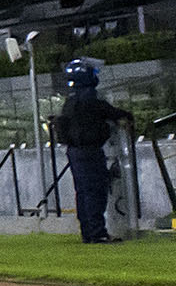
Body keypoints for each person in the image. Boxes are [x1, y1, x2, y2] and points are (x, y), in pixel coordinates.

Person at [51, 57, 135, 243]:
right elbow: (110, 111)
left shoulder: (71, 102)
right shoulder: (90, 99)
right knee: (95, 191)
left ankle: (88, 232)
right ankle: (97, 232)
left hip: (75, 152)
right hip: (90, 151)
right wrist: (127, 117)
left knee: (82, 192)